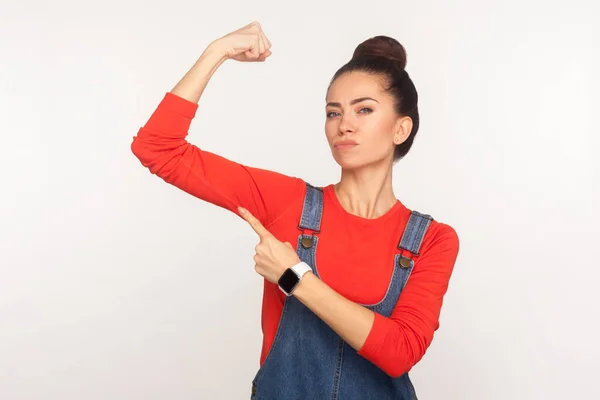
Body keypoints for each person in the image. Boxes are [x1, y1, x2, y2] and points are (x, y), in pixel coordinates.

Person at [131, 21, 460, 400]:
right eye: (333, 113)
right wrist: (216, 51)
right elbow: (157, 148)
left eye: (364, 110)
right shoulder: (288, 202)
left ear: (401, 129)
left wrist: (295, 277)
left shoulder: (432, 241)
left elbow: (399, 352)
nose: (344, 125)